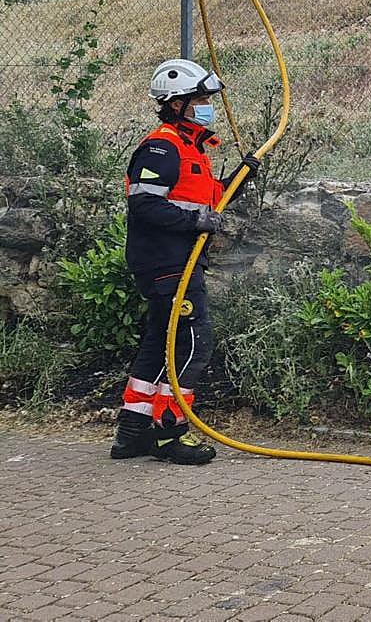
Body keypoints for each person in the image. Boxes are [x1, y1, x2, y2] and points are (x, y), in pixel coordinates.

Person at [110, 59, 259, 465]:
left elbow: (210, 201)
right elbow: (143, 205)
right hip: (167, 263)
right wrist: (195, 221)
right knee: (193, 343)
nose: (207, 106)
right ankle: (170, 434)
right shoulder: (161, 148)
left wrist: (241, 177)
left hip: (179, 262)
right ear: (177, 105)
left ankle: (133, 433)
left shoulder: (192, 149)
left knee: (160, 343)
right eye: (200, 99)